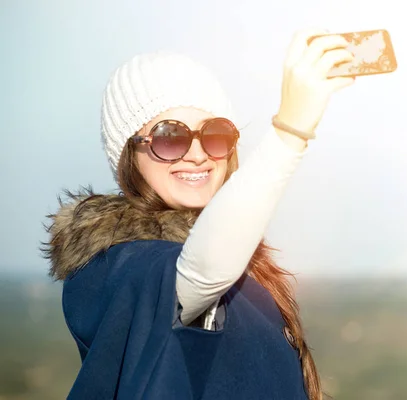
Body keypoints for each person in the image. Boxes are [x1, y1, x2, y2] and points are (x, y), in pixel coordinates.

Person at [42, 29, 355, 400]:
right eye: (169, 137)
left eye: (215, 135)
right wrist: (291, 131)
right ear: (128, 155)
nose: (197, 154)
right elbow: (197, 272)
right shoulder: (118, 267)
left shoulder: (243, 265)